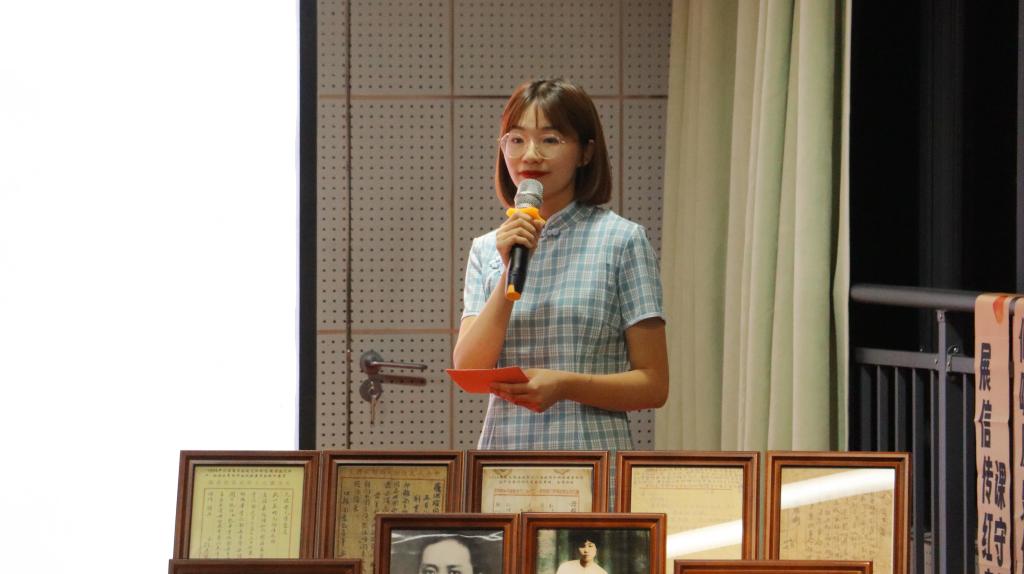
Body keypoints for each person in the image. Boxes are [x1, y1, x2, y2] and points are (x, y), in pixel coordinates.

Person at [453, 78, 669, 457]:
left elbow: (653, 386)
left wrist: (565, 385)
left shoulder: (622, 240)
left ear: (585, 152)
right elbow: (469, 370)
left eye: (550, 140)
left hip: (592, 462)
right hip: (504, 462)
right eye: (516, 140)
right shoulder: (487, 248)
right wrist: (508, 272)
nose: (530, 155)